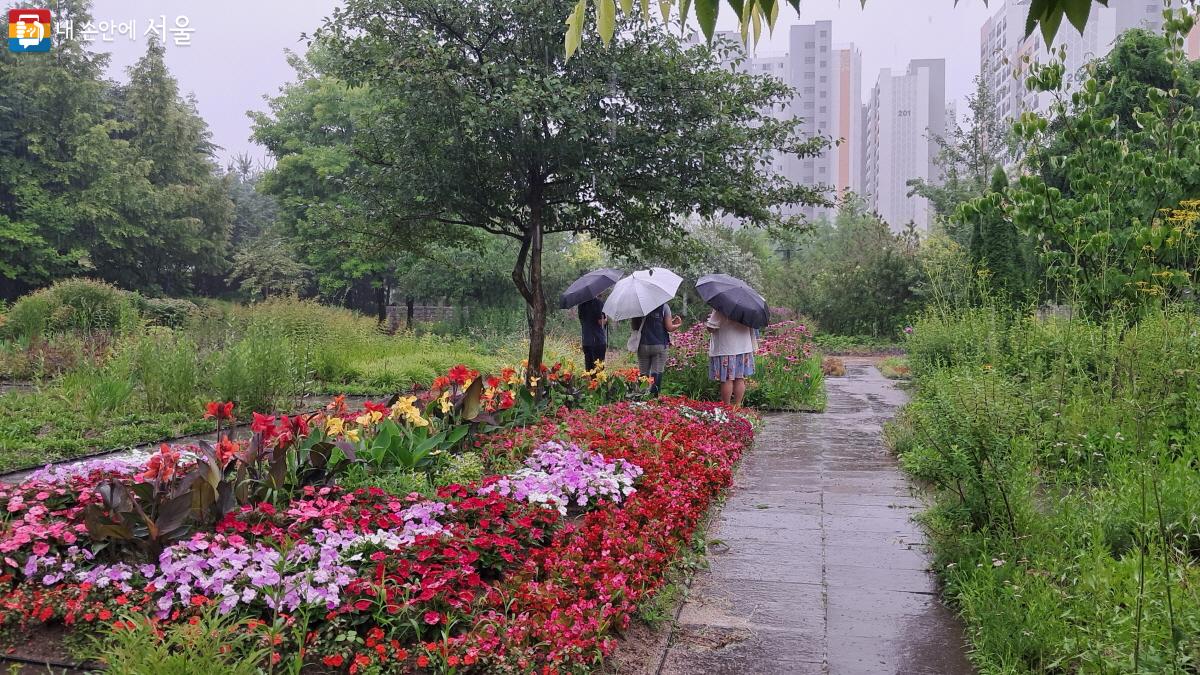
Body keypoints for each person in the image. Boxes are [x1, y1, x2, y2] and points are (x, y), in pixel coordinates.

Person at [705, 310, 756, 406]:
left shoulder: (722, 305)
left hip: (727, 347)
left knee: (727, 379)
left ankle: (727, 407)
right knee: (739, 378)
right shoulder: (747, 306)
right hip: (744, 347)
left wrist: (709, 320)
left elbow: (711, 328)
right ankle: (737, 406)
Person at [631, 302, 682, 395]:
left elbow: (634, 327)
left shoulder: (638, 307)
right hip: (659, 344)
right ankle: (653, 397)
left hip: (643, 345)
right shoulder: (664, 306)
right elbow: (669, 327)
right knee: (657, 371)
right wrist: (678, 324)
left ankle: (642, 396)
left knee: (643, 372)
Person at [578, 296, 607, 372]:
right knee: (599, 371)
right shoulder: (598, 303)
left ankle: (590, 383)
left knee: (589, 371)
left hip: (586, 341)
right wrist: (606, 319)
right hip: (597, 341)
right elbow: (601, 322)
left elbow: (582, 322)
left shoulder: (581, 305)